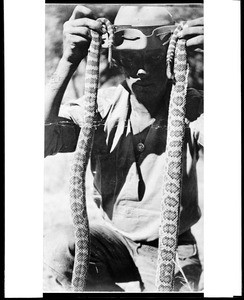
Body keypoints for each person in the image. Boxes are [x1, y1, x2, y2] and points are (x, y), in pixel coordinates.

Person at [44, 5, 204, 292]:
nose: (142, 70)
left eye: (153, 58)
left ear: (173, 57)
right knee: (58, 247)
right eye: (131, 59)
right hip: (115, 241)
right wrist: (68, 62)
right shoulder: (101, 106)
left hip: (173, 248)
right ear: (116, 59)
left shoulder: (195, 107)